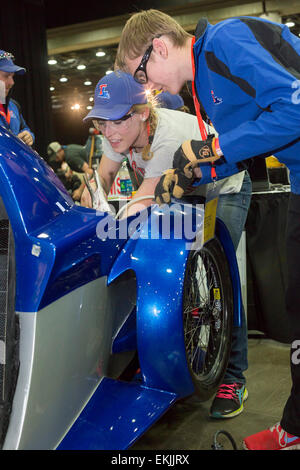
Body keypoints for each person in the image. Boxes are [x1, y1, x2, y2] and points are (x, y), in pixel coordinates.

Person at [115, 9, 300, 450]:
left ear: (159, 47)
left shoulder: (226, 43)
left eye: (144, 75)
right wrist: (192, 174)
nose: (150, 87)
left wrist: (214, 146)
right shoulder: (204, 85)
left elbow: (295, 109)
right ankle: (295, 428)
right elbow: (253, 141)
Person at [0, 50, 34, 146]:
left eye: (12, 76)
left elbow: (25, 128)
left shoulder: (14, 105)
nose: (12, 83)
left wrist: (29, 135)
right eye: (6, 76)